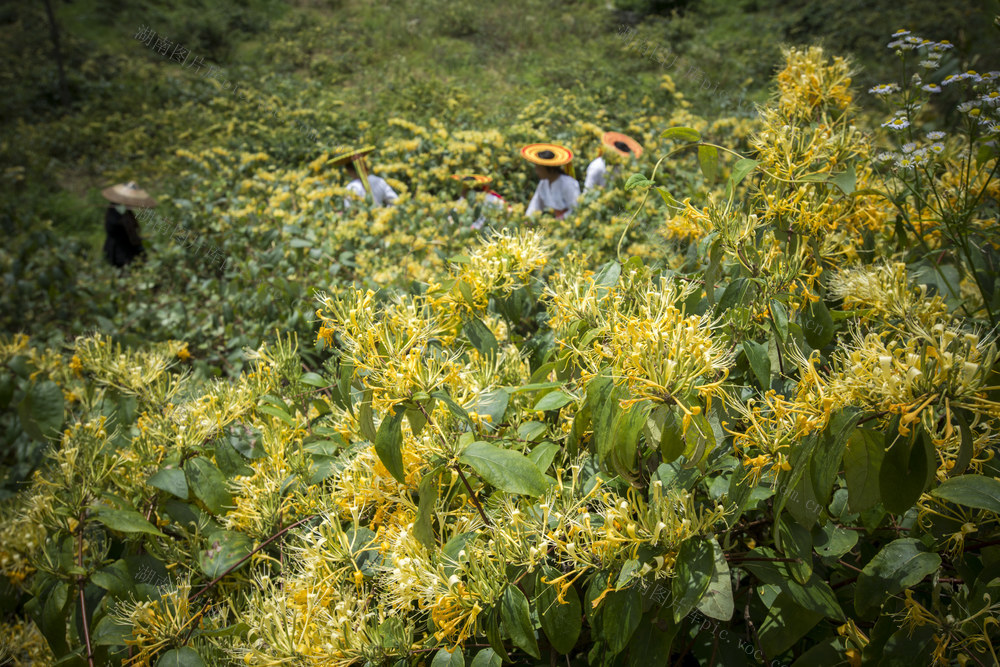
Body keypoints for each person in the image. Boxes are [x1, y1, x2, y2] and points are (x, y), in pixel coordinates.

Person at [100, 182, 155, 267]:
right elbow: (131, 237)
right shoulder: (118, 213)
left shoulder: (120, 211)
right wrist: (143, 242)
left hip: (120, 250)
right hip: (121, 253)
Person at [521, 143, 580, 219]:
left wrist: (558, 220)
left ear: (550, 168)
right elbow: (535, 205)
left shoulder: (568, 184)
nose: (537, 172)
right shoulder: (543, 183)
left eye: (539, 168)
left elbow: (575, 209)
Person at [332, 145, 398, 208]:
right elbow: (395, 202)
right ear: (365, 166)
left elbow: (349, 210)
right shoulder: (379, 181)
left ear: (349, 171)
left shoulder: (351, 188)